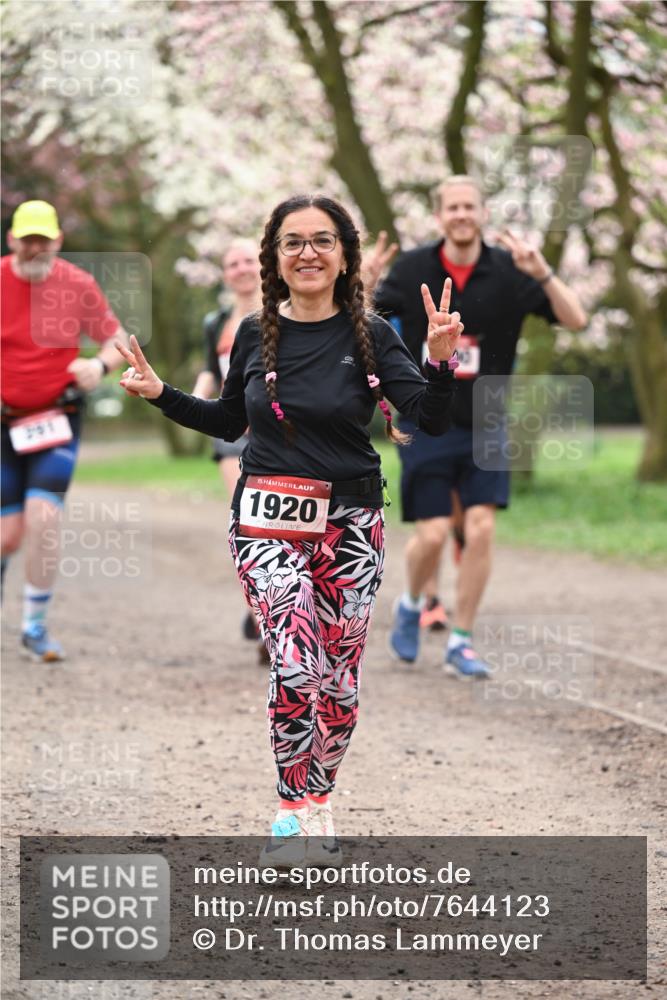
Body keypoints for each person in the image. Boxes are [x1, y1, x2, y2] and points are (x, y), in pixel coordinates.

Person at [115, 193, 462, 865]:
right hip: (266, 520)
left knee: (338, 680)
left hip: (351, 524)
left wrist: (440, 361)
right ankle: (289, 810)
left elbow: (429, 417)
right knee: (297, 660)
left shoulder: (371, 333)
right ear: (274, 258)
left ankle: (319, 797)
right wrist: (161, 394)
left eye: (322, 240)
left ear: (344, 256)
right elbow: (228, 421)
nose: (308, 253)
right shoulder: (254, 333)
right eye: (293, 242)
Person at [372, 175, 587, 678]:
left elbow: (576, 319)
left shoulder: (511, 271)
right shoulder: (413, 269)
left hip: (488, 418)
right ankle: (411, 602)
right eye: (452, 207)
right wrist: (364, 281)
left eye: (470, 206)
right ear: (439, 216)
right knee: (431, 535)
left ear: (483, 213)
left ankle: (461, 641)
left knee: (481, 527)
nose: (462, 214)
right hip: (427, 416)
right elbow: (359, 322)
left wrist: (543, 272)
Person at [1, 200, 129, 661]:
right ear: (12, 239)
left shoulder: (76, 284)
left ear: (58, 240)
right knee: (7, 535)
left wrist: (98, 366)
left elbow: (116, 339)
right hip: (4, 423)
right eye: (27, 239)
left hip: (56, 419)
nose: (35, 247)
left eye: (44, 239)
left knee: (44, 518)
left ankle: (34, 627)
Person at [190, 239, 268, 660]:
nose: (241, 269)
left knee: (281, 520)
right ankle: (261, 616)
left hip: (277, 427)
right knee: (248, 519)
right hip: (232, 429)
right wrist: (191, 402)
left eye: (247, 261)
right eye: (232, 264)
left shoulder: (283, 309)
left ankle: (275, 605)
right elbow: (210, 370)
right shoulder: (216, 322)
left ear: (262, 264)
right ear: (225, 274)